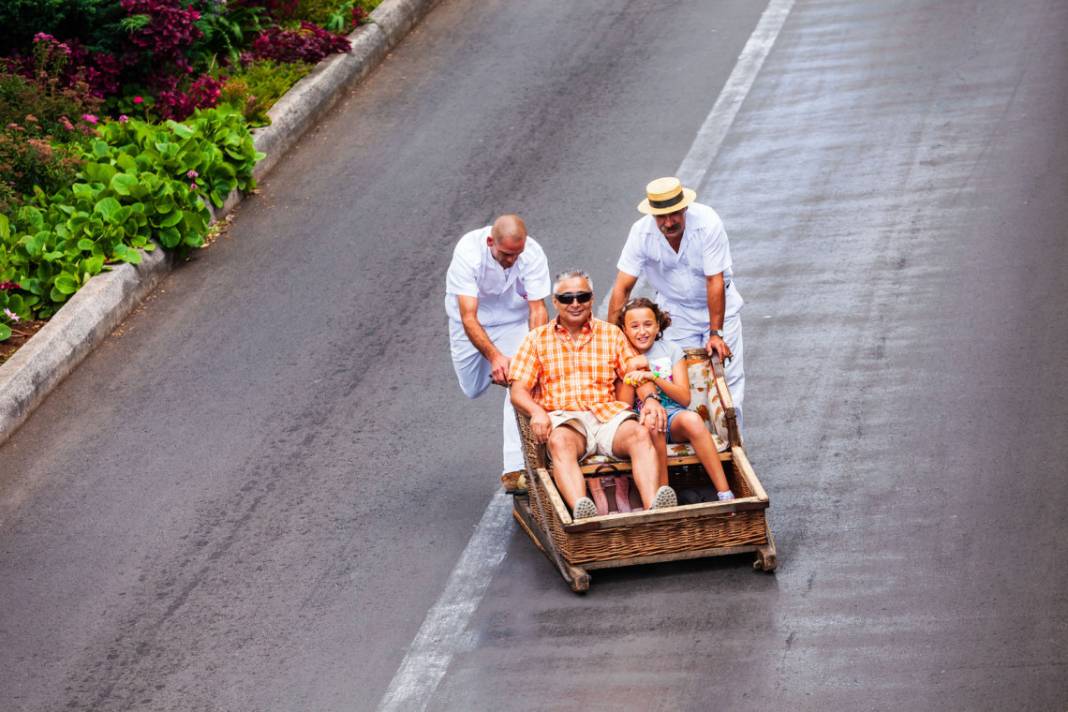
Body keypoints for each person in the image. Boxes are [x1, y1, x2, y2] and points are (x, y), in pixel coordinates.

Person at [509, 270, 677, 520]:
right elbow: (518, 390)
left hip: (607, 416)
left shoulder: (611, 334)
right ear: (555, 302)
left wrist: (651, 399)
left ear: (591, 298)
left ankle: (654, 509)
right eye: (567, 298)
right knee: (559, 442)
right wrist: (536, 411)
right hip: (566, 420)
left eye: (582, 296)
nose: (575, 303)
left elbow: (636, 373)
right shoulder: (536, 340)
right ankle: (583, 513)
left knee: (640, 434)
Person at [607, 176, 747, 429]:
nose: (669, 222)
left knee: (727, 381)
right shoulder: (641, 233)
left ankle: (733, 443)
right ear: (652, 214)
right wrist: (613, 340)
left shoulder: (707, 222)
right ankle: (694, 437)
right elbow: (622, 287)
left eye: (674, 214)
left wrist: (716, 333)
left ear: (684, 208)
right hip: (676, 311)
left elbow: (714, 280)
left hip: (719, 306)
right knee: (681, 377)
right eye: (661, 217)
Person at [445, 214, 550, 480]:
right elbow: (469, 316)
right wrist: (495, 357)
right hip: (472, 321)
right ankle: (497, 369)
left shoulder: (533, 253)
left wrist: (532, 358)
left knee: (521, 381)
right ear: (491, 242)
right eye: (506, 255)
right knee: (471, 388)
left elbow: (538, 309)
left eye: (517, 254)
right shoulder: (468, 253)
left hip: (513, 320)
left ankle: (514, 469)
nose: (512, 261)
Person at [615, 297, 735, 502]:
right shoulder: (623, 355)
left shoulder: (671, 350)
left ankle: (725, 493)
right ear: (624, 330)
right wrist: (630, 369)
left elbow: (684, 398)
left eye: (648, 324)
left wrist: (654, 376)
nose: (642, 331)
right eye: (634, 326)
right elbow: (623, 405)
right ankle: (664, 494)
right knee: (654, 422)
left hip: (673, 415)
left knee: (693, 420)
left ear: (658, 326)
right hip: (641, 421)